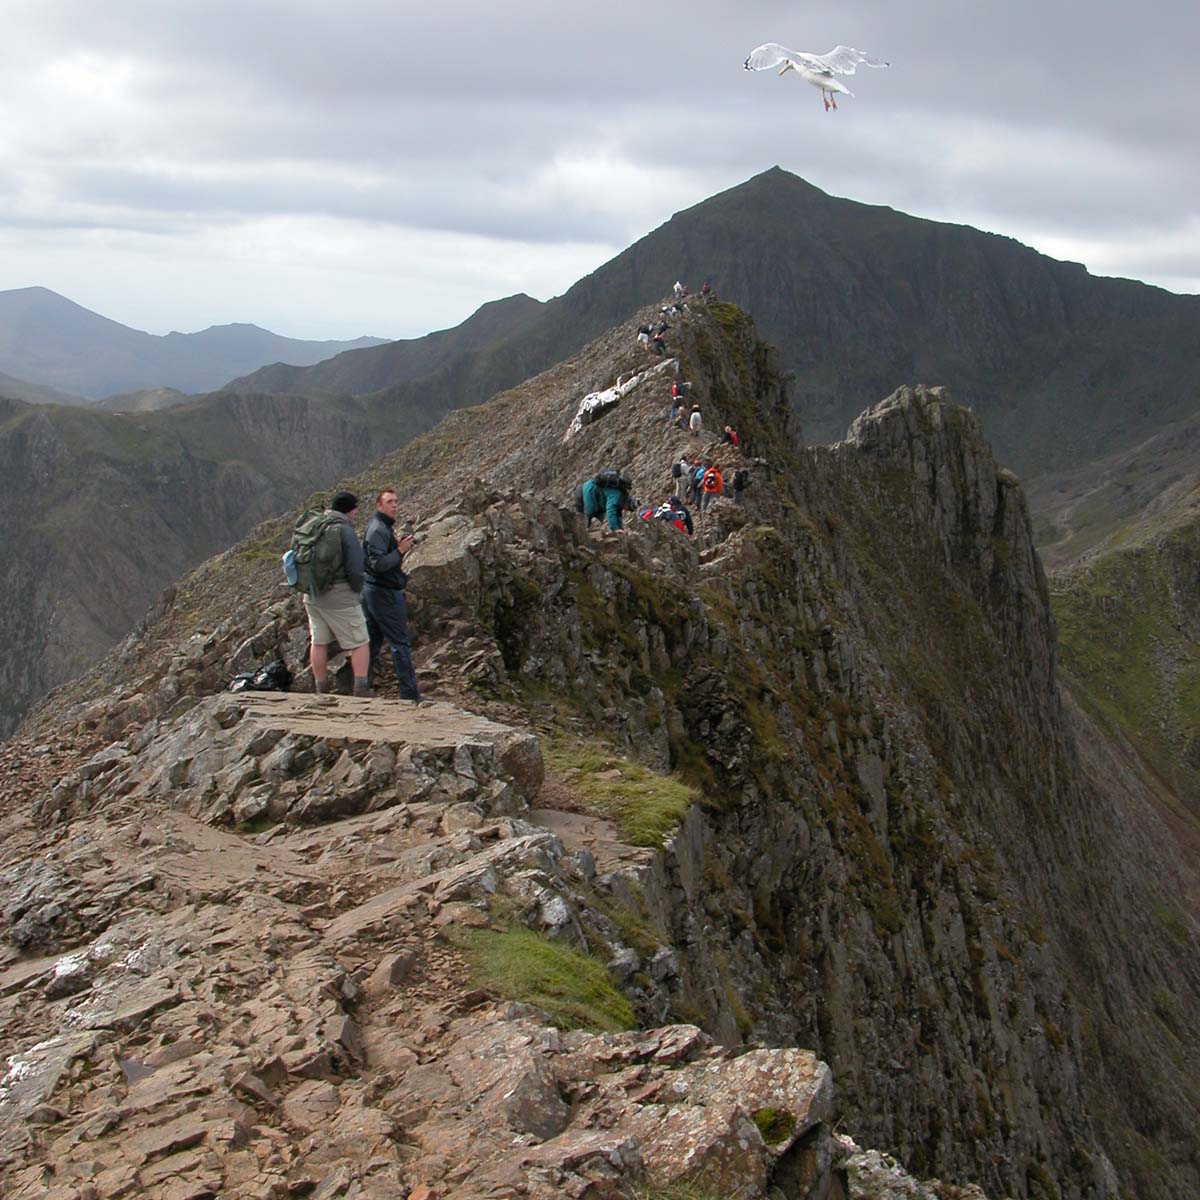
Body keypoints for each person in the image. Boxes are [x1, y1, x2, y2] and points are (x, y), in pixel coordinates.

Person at [305, 490, 371, 697]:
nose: (355, 514)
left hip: (312, 594)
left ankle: (321, 688)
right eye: (355, 510)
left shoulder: (314, 525)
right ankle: (361, 688)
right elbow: (354, 566)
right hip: (339, 595)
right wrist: (357, 589)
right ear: (350, 510)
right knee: (360, 641)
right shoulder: (344, 530)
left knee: (319, 641)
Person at [361, 486, 422, 703]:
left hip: (373, 590)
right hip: (383, 592)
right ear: (378, 505)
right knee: (399, 643)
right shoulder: (378, 529)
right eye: (389, 502)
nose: (395, 505)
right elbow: (378, 564)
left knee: (372, 641)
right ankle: (410, 695)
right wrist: (400, 551)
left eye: (396, 501)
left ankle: (361, 686)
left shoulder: (380, 527)